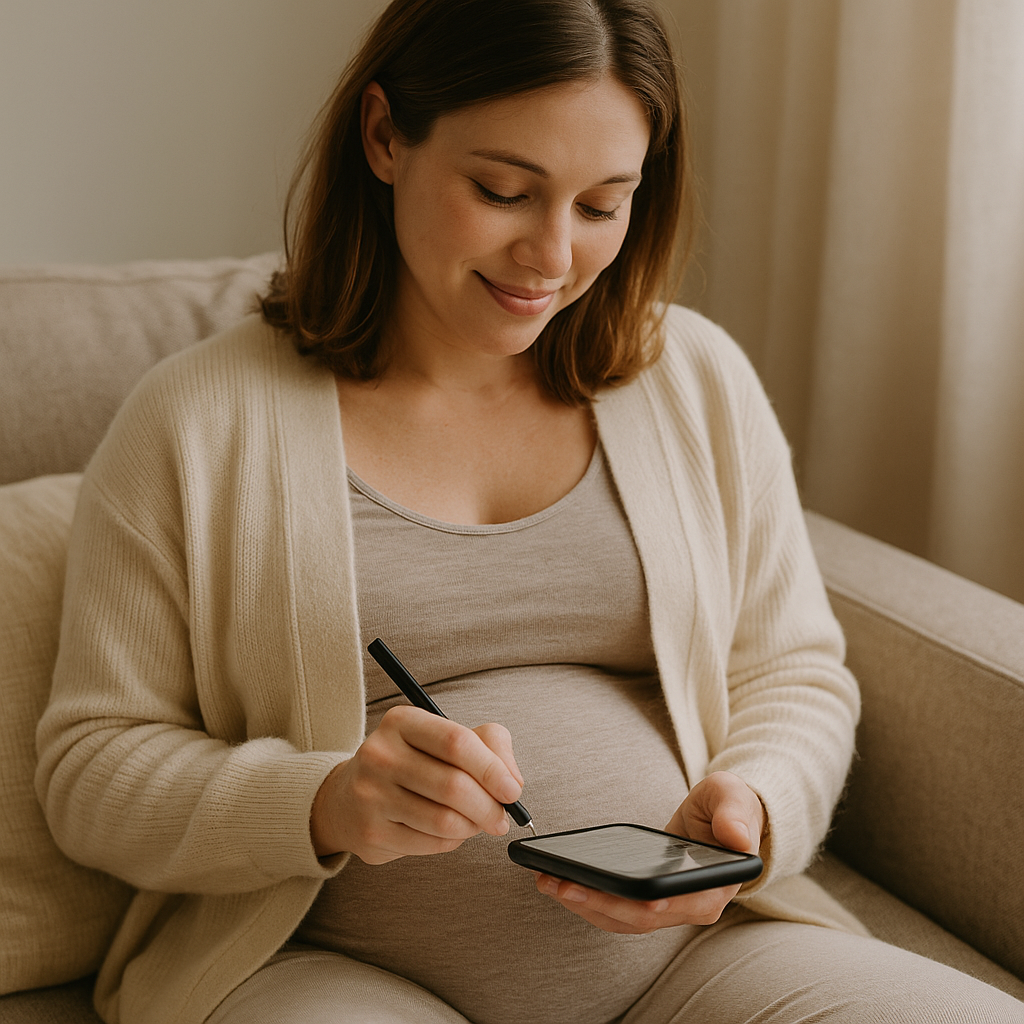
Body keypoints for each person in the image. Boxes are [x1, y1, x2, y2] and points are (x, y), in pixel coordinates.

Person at [35, 1, 1022, 1022]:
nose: (551, 256)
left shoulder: (694, 378)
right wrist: (324, 800)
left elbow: (793, 670)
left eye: (601, 205)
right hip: (325, 971)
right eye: (503, 191)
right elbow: (91, 768)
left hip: (697, 962)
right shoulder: (196, 420)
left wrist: (756, 804)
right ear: (384, 135)